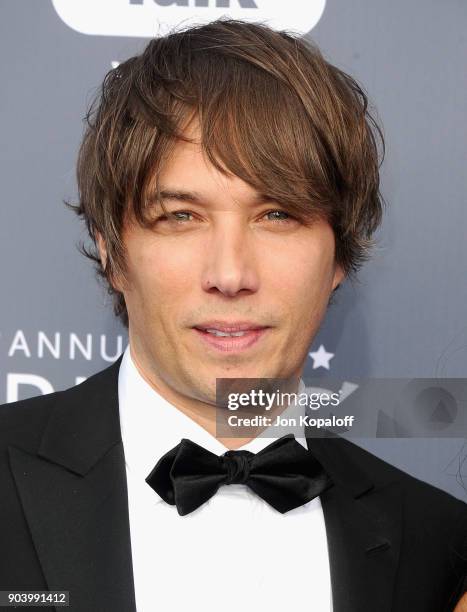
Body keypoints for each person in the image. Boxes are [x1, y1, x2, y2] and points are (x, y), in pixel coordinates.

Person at [1, 17, 466, 612]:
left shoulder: (438, 546)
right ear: (112, 253)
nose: (230, 273)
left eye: (277, 215)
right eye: (181, 216)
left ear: (340, 256)